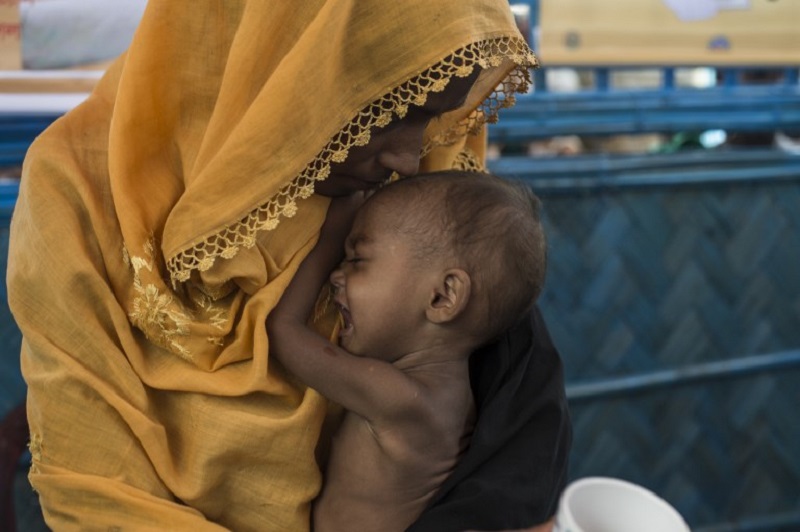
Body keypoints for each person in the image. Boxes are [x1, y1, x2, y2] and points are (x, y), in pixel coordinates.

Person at [7, 1, 571, 530]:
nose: (408, 157)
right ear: (285, 63)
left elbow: (518, 460)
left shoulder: (427, 203)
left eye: (425, 115)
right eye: (390, 107)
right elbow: (94, 490)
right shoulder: (76, 198)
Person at [268, 171, 548, 532]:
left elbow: (283, 331)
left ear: (442, 297)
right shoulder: (449, 397)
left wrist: (330, 236)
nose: (338, 275)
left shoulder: (401, 399)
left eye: (356, 260)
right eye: (343, 258)